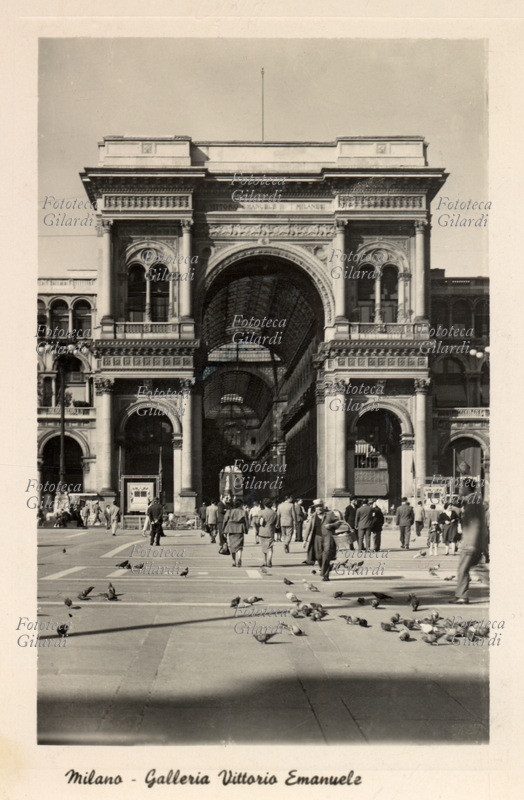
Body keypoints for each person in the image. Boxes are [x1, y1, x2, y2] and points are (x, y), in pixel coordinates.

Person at [449, 479, 488, 604]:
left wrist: (471, 544)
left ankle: (462, 596)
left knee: (463, 570)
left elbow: (476, 524)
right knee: (476, 570)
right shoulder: (473, 500)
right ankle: (461, 595)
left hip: (470, 543)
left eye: (461, 487)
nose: (459, 489)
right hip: (474, 542)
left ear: (467, 488)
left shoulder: (472, 501)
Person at [223, 498, 249, 568]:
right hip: (240, 529)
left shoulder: (229, 511)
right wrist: (246, 529)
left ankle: (234, 562)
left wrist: (224, 530)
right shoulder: (244, 512)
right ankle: (239, 558)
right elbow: (246, 521)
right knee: (239, 546)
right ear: (241, 505)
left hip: (231, 529)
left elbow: (225, 520)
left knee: (232, 546)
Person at [258, 497, 278, 568]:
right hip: (270, 531)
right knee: (270, 547)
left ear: (264, 504)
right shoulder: (275, 513)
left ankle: (264, 561)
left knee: (264, 547)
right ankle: (269, 560)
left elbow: (258, 522)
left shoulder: (261, 512)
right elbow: (276, 523)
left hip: (262, 531)